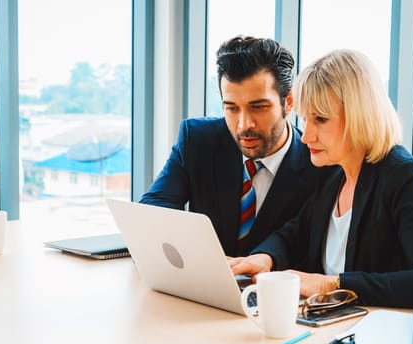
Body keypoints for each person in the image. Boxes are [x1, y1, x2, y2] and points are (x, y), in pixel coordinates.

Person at [229, 49, 413, 308]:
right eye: (305, 119)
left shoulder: (406, 179)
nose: (306, 136)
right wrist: (266, 257)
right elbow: (296, 232)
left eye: (320, 119)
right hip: (326, 325)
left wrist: (328, 284)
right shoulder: (335, 175)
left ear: (359, 116)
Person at [140, 36, 333, 257]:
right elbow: (154, 208)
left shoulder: (320, 166)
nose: (244, 125)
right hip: (201, 285)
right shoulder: (198, 140)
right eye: (231, 108)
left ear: (288, 102)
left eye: (258, 107)